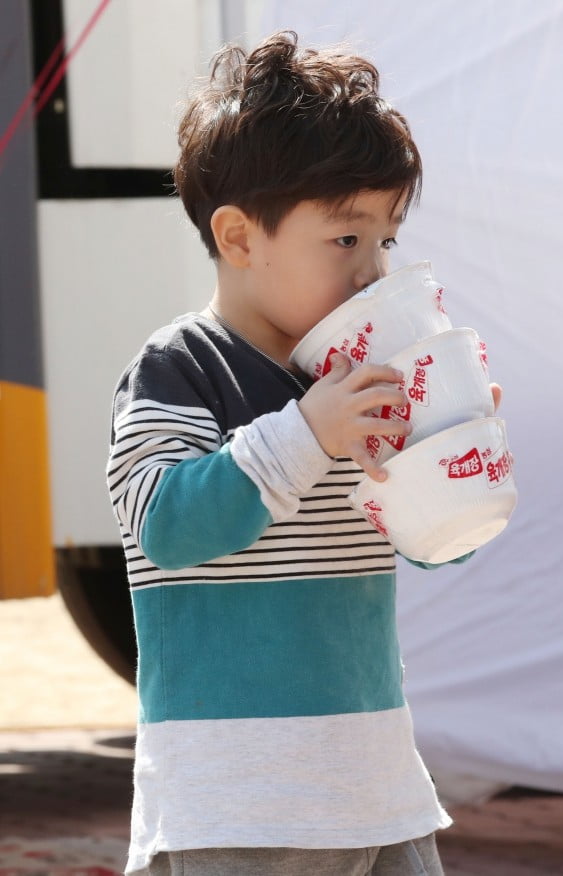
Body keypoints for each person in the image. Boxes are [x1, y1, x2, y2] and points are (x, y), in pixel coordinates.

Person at [107, 30, 500, 876]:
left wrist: (448, 452)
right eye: (345, 240)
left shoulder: (361, 372)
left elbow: (435, 544)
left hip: (378, 782)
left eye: (387, 239)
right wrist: (307, 433)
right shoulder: (180, 367)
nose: (373, 271)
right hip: (240, 802)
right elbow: (165, 524)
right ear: (241, 238)